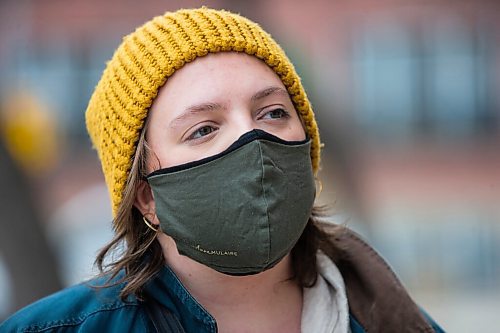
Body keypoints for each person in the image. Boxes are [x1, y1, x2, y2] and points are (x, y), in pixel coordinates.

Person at [0, 7, 444, 333]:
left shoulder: (391, 317)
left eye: (271, 113)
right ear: (147, 196)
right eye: (204, 129)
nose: (250, 139)